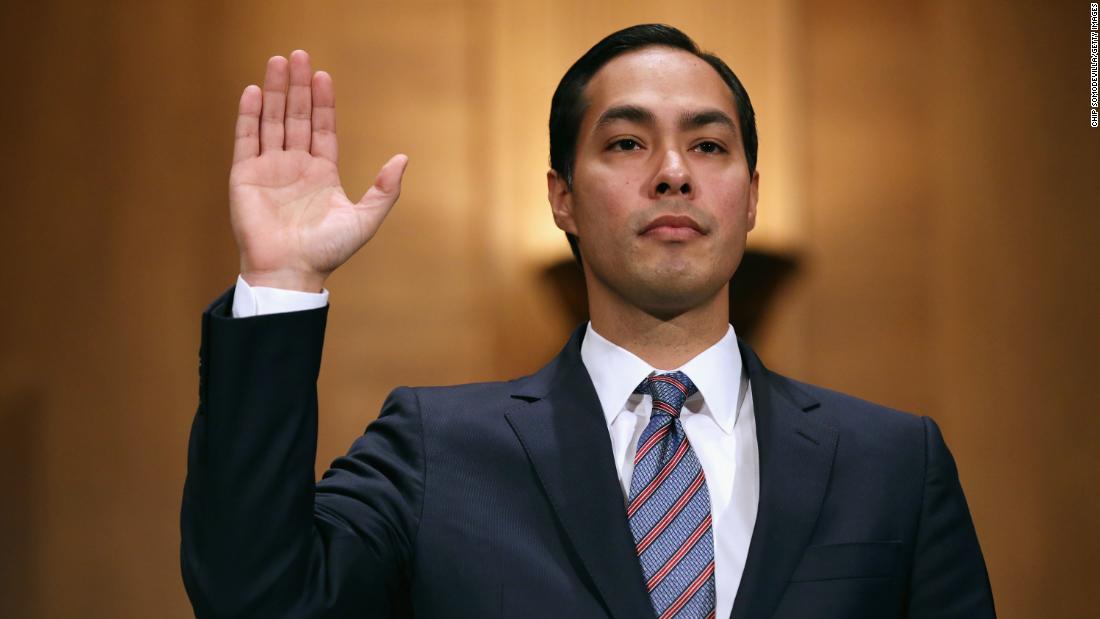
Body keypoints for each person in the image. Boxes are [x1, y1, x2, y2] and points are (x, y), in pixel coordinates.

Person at [181, 24, 995, 619]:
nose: (674, 173)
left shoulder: (893, 464)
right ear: (561, 197)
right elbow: (254, 596)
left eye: (710, 147)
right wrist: (282, 282)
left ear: (751, 198)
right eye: (628, 143)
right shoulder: (436, 450)